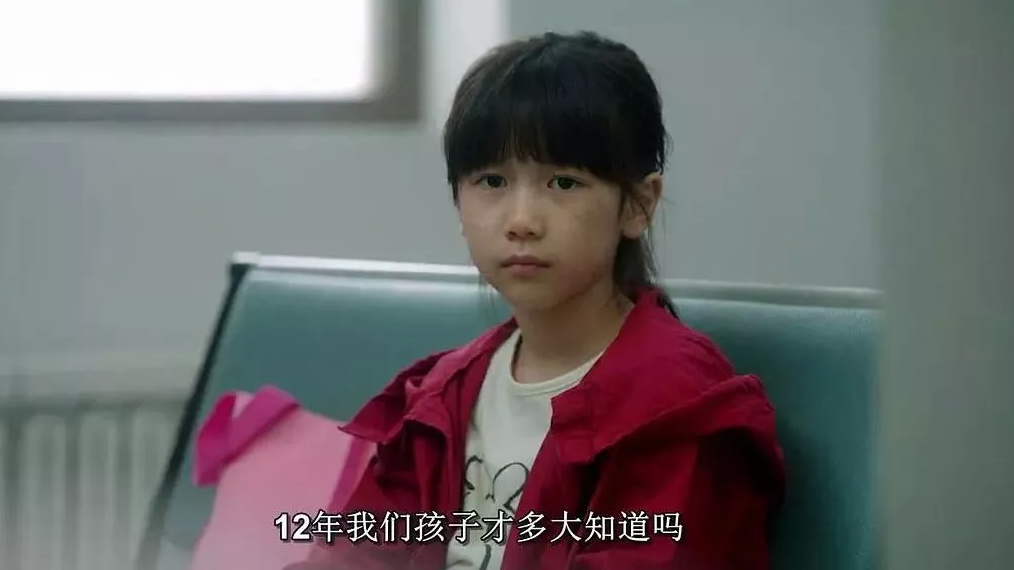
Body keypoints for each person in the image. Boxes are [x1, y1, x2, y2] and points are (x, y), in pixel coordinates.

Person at [293, 31, 786, 570]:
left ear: (638, 205)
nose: (522, 220)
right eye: (492, 181)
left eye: (564, 183)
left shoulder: (675, 399)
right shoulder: (445, 393)